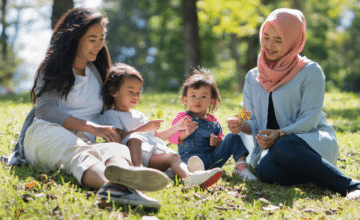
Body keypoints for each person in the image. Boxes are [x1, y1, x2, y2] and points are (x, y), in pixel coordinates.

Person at [0, 8, 171, 209]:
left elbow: (113, 108)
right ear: (74, 38)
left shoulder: (97, 73)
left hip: (86, 143)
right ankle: (113, 187)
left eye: (102, 38)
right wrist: (91, 127)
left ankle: (129, 181)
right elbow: (45, 110)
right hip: (45, 135)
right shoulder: (54, 68)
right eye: (92, 39)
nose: (99, 45)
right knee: (78, 153)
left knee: (115, 149)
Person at [227, 8, 360, 200]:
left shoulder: (310, 72)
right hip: (276, 152)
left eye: (278, 40)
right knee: (266, 171)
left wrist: (279, 134)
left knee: (283, 145)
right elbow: (250, 117)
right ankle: (316, 176)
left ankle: (350, 186)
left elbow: (311, 119)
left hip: (310, 143)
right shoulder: (253, 77)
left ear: (293, 40)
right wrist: (241, 124)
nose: (269, 45)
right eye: (266, 37)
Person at [101, 63, 223, 188]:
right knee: (135, 138)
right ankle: (138, 172)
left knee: (174, 157)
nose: (135, 96)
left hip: (152, 154)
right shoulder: (111, 115)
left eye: (138, 92)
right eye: (131, 91)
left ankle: (190, 177)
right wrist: (143, 128)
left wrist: (176, 128)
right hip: (135, 156)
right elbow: (117, 139)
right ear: (113, 91)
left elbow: (157, 136)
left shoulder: (139, 115)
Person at [168, 70, 258, 181]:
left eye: (203, 97)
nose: (198, 100)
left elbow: (221, 144)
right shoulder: (182, 118)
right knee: (192, 162)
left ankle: (241, 167)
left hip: (213, 160)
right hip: (190, 160)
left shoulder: (214, 122)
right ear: (185, 99)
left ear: (212, 101)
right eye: (193, 95)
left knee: (233, 137)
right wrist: (186, 133)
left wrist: (216, 143)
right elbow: (171, 138)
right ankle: (193, 173)